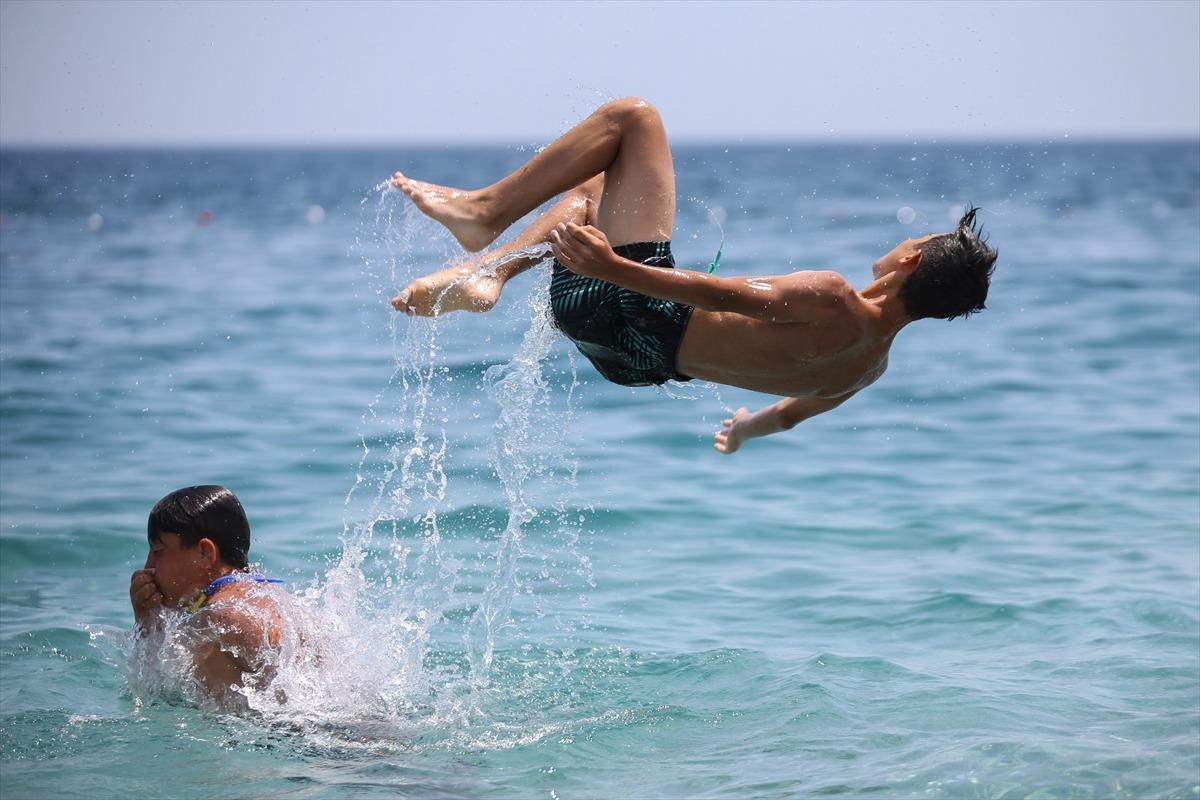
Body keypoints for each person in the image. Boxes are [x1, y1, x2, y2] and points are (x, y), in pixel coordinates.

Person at [389, 98, 997, 454]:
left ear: (913, 259)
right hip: (631, 364)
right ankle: (484, 276)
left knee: (634, 120)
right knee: (589, 197)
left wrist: (613, 268)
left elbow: (714, 293)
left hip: (640, 305)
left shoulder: (834, 298)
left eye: (916, 239)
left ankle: (483, 220)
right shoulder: (867, 369)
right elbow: (786, 414)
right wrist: (741, 431)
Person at [129, 485, 285, 704]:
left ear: (204, 553)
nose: (148, 566)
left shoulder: (226, 617)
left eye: (158, 552)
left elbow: (152, 692)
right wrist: (147, 622)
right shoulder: (264, 597)